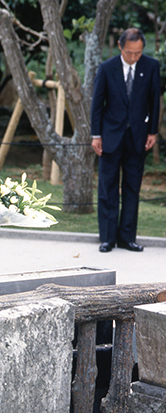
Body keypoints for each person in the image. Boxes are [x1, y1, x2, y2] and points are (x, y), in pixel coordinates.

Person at [91, 27, 160, 253]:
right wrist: (96, 135)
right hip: (110, 137)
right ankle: (108, 238)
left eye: (138, 53)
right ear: (121, 47)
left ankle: (127, 238)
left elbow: (154, 102)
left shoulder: (151, 67)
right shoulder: (106, 68)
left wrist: (152, 132)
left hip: (138, 138)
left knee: (132, 188)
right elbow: (97, 104)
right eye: (130, 53)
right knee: (108, 187)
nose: (133, 57)